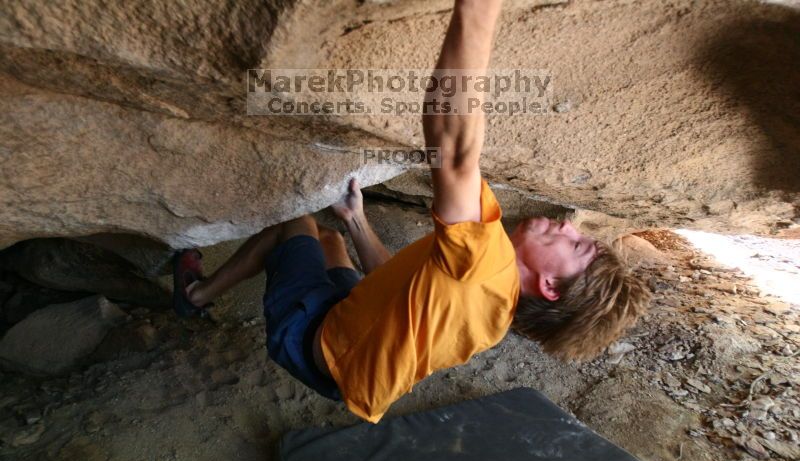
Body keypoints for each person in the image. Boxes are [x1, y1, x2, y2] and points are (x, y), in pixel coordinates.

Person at [173, 0, 650, 423]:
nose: (569, 226)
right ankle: (330, 242)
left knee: (295, 227)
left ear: (549, 286)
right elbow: (398, 286)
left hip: (313, 343)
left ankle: (194, 295)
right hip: (349, 373)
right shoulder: (492, 314)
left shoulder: (487, 261)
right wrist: (357, 219)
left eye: (578, 246)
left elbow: (451, 144)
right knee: (329, 240)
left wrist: (478, 8)